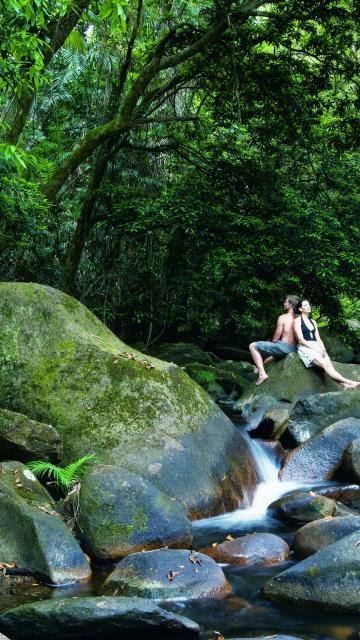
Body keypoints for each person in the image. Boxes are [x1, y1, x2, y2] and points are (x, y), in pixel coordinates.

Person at [294, 299, 360, 389]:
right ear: (300, 309)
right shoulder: (297, 321)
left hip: (316, 346)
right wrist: (316, 349)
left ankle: (344, 385)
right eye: (305, 305)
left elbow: (318, 338)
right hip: (306, 347)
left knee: (330, 367)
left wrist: (323, 349)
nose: (308, 306)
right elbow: (301, 340)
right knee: (325, 365)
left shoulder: (313, 321)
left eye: (309, 304)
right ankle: (350, 382)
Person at [249, 295, 299, 386]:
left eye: (286, 302)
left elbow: (276, 337)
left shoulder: (283, 317)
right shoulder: (299, 319)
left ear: (290, 305)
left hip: (283, 347)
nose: (284, 303)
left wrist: (273, 343)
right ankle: (258, 368)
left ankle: (262, 374)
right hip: (293, 349)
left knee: (252, 346)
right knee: (272, 357)